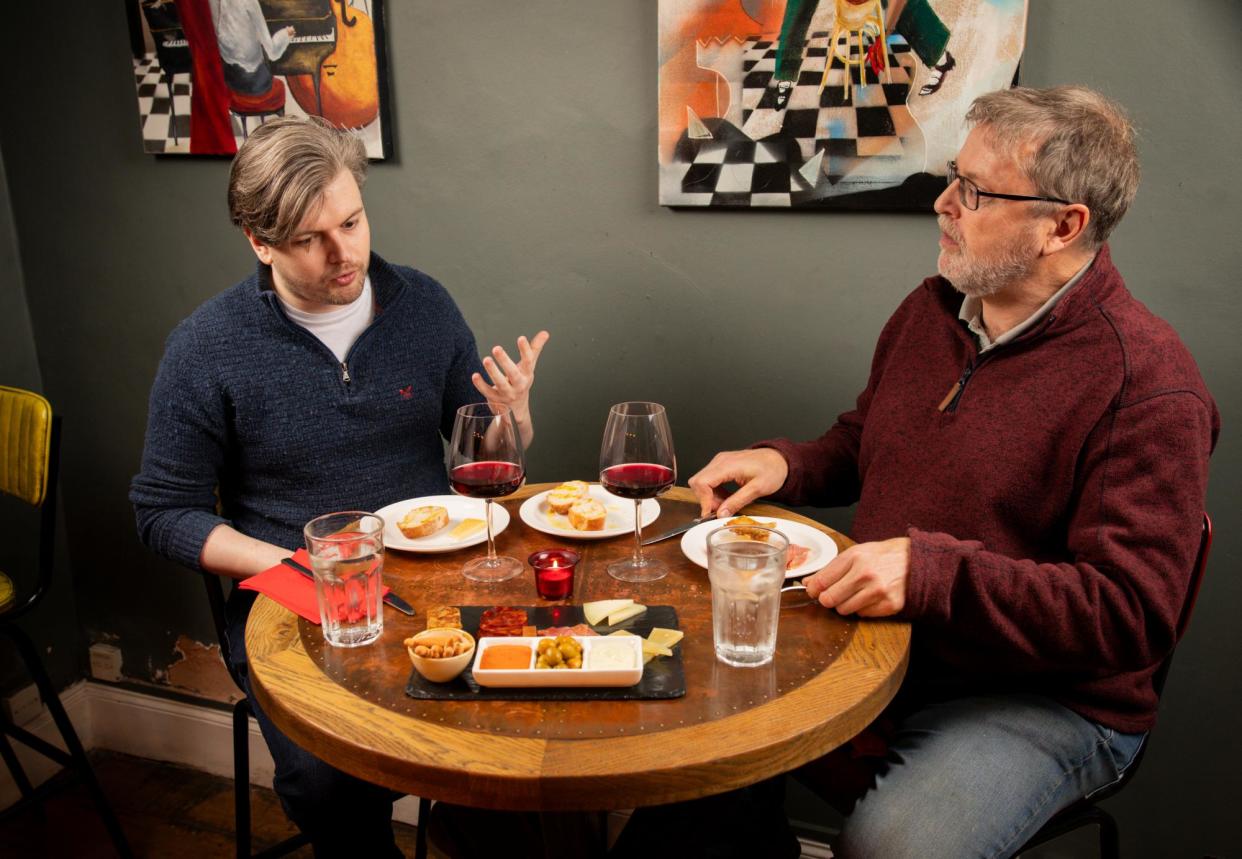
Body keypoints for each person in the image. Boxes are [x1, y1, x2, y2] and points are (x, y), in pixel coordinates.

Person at [620, 85, 1219, 858]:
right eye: (952, 177)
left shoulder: (1148, 382)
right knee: (687, 755)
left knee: (891, 845)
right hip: (878, 647)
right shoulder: (933, 310)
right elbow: (868, 439)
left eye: (973, 191)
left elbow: (1129, 612)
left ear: (1062, 226)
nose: (943, 203)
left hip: (1041, 698)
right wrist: (786, 464)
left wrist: (932, 574)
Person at [131, 115, 549, 856]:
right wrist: (290, 563)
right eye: (308, 238)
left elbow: (476, 459)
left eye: (352, 221)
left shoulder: (424, 305)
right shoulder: (205, 346)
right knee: (329, 785)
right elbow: (163, 513)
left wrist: (511, 422)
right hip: (299, 602)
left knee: (511, 744)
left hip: (436, 584)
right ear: (259, 242)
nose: (344, 252)